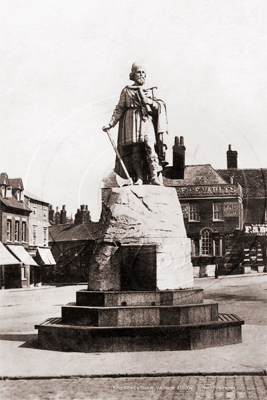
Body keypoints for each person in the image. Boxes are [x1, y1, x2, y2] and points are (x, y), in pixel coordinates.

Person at [102, 62, 168, 185]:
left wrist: (151, 103)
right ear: (133, 74)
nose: (141, 74)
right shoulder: (126, 91)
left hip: (146, 120)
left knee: (150, 146)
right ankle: (139, 178)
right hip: (131, 121)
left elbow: (160, 105)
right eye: (138, 72)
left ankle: (154, 176)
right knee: (135, 150)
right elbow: (120, 108)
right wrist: (110, 124)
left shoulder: (151, 91)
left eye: (143, 72)